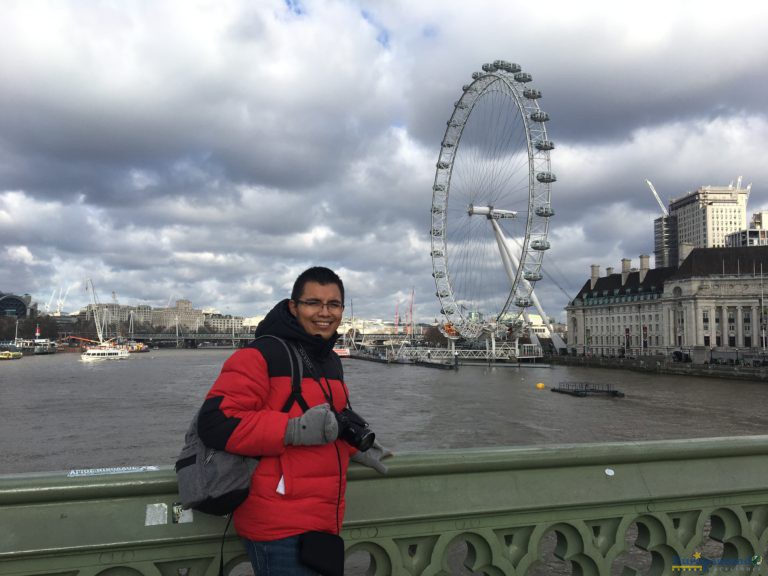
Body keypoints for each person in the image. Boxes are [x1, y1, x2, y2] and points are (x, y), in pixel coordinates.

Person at [197, 266, 390, 575]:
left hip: (323, 517)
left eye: (333, 304)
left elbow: (326, 420)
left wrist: (352, 446)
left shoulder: (327, 359)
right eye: (313, 302)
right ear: (293, 306)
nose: (324, 312)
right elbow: (215, 423)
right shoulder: (261, 355)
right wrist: (293, 430)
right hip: (278, 525)